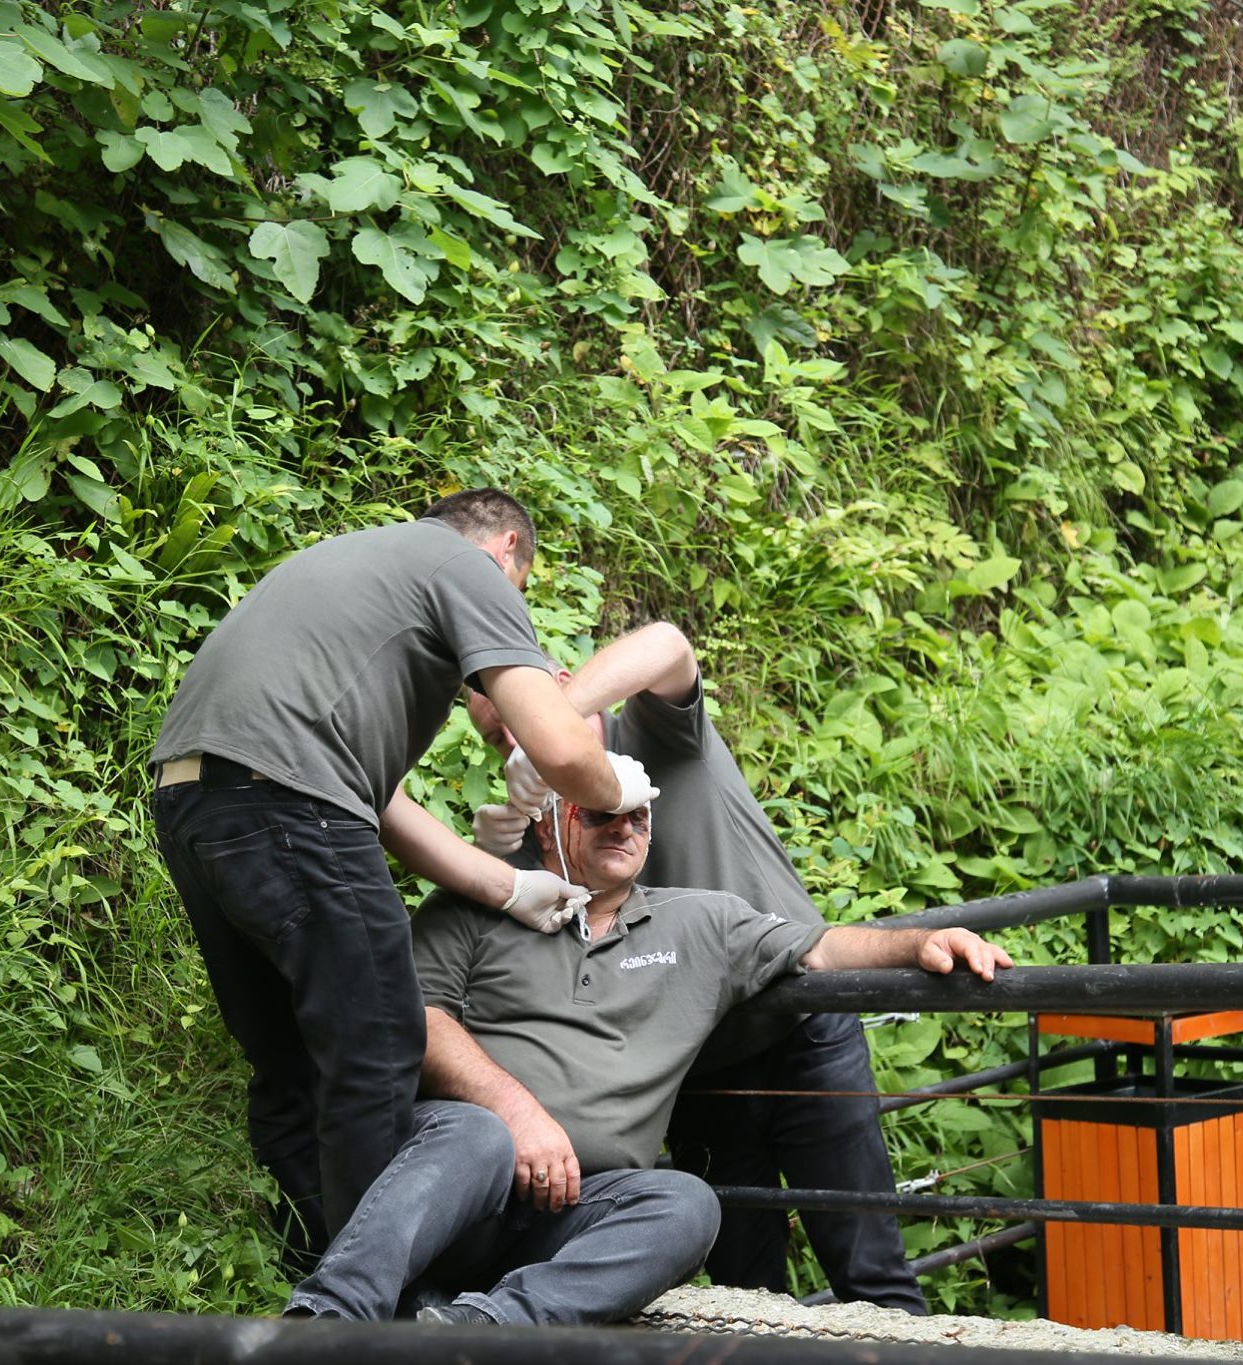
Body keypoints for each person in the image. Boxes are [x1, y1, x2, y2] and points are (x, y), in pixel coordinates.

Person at [149, 489, 655, 1274]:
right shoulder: (468, 566)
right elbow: (561, 747)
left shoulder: (357, 569)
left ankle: (314, 1282)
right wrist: (617, 787)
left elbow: (376, 803)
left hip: (193, 803)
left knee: (296, 1064)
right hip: (292, 804)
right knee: (380, 1044)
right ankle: (376, 1303)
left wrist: (507, 885)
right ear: (507, 549)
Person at [285, 788, 1012, 1324]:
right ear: (546, 821)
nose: (624, 827)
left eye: (638, 815)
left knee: (686, 1202)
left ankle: (479, 1330)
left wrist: (921, 942)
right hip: (461, 1182)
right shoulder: (477, 906)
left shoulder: (700, 920)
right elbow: (421, 1020)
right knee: (477, 1131)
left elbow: (822, 946)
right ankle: (330, 1316)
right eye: (601, 812)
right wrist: (518, 1112)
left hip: (580, 1209)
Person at [465, 623, 930, 1311]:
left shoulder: (651, 734)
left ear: (556, 689)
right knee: (745, 1294)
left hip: (802, 1025)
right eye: (497, 738)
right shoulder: (538, 819)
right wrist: (495, 858)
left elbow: (667, 645)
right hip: (691, 1068)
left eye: (516, 717)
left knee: (871, 1270)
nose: (513, 742)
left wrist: (553, 727)